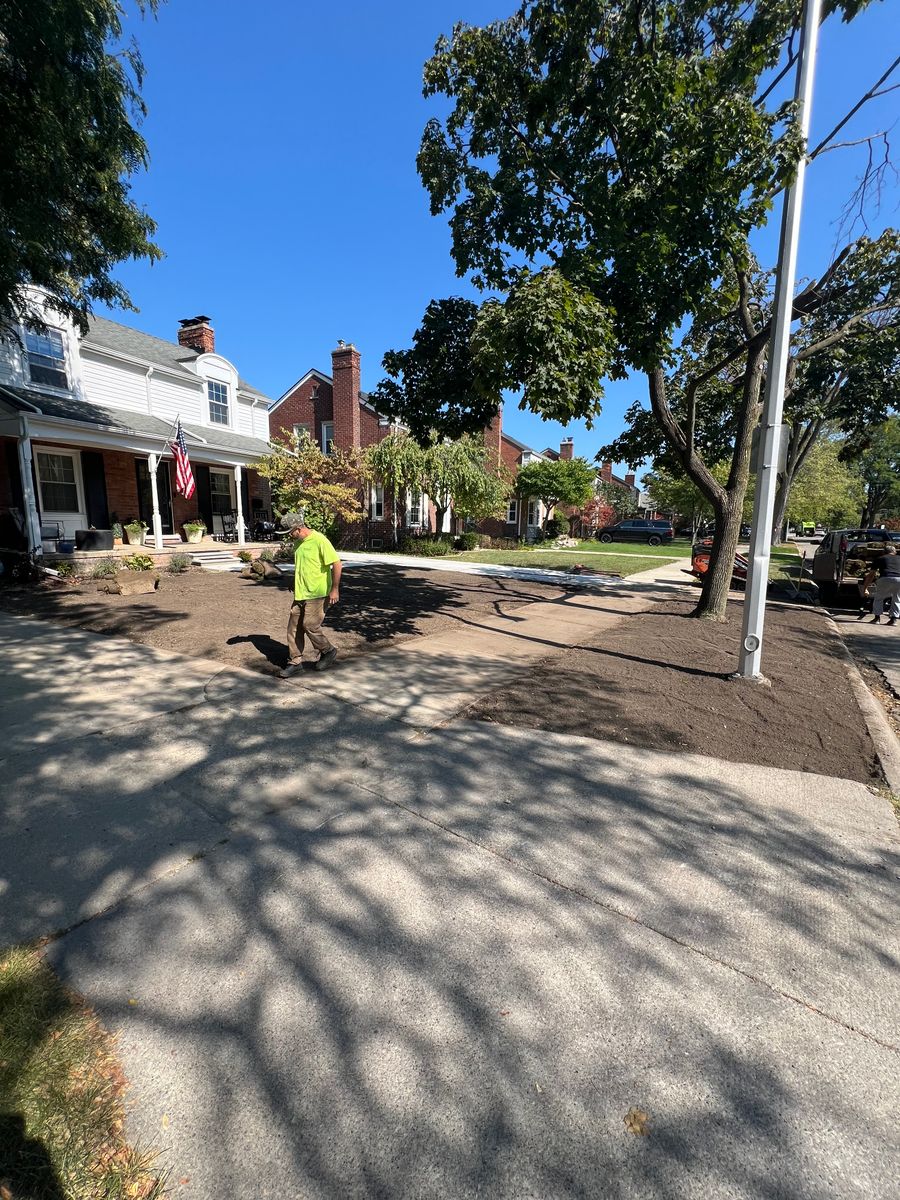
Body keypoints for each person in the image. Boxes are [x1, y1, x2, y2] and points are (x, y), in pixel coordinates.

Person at [277, 510, 342, 677]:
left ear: (298, 528)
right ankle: (295, 661)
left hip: (318, 593)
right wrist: (294, 581)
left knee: (310, 625)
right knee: (293, 627)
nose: (288, 536)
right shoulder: (298, 543)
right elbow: (304, 565)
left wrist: (334, 589)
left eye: (289, 532)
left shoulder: (319, 540)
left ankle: (328, 651)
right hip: (301, 592)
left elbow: (337, 564)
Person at [861, 543, 900, 626]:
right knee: (897, 599)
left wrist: (865, 588)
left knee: (879, 597)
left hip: (885, 578)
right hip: (899, 579)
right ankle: (893, 620)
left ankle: (877, 618)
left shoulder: (880, 558)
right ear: (895, 552)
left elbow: (871, 575)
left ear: (884, 552)